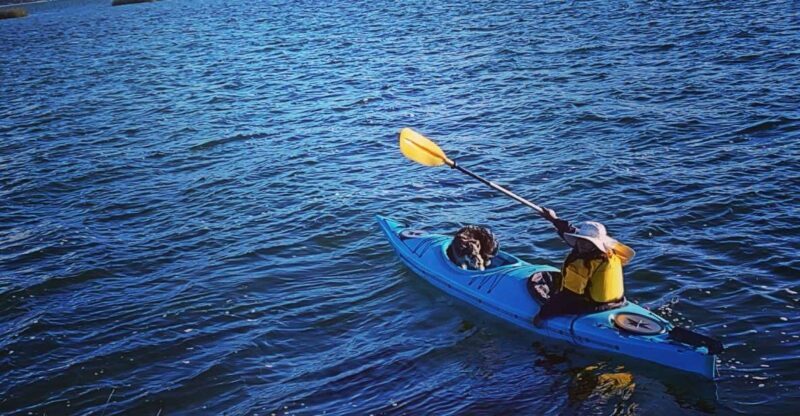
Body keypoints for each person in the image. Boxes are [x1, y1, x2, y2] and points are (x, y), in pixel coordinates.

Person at [532, 207, 634, 327]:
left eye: (588, 242)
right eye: (581, 240)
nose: (582, 245)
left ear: (596, 245)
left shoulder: (581, 265)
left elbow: (570, 295)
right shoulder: (610, 253)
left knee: (550, 301)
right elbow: (571, 231)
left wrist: (543, 314)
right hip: (618, 302)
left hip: (591, 306)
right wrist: (553, 219)